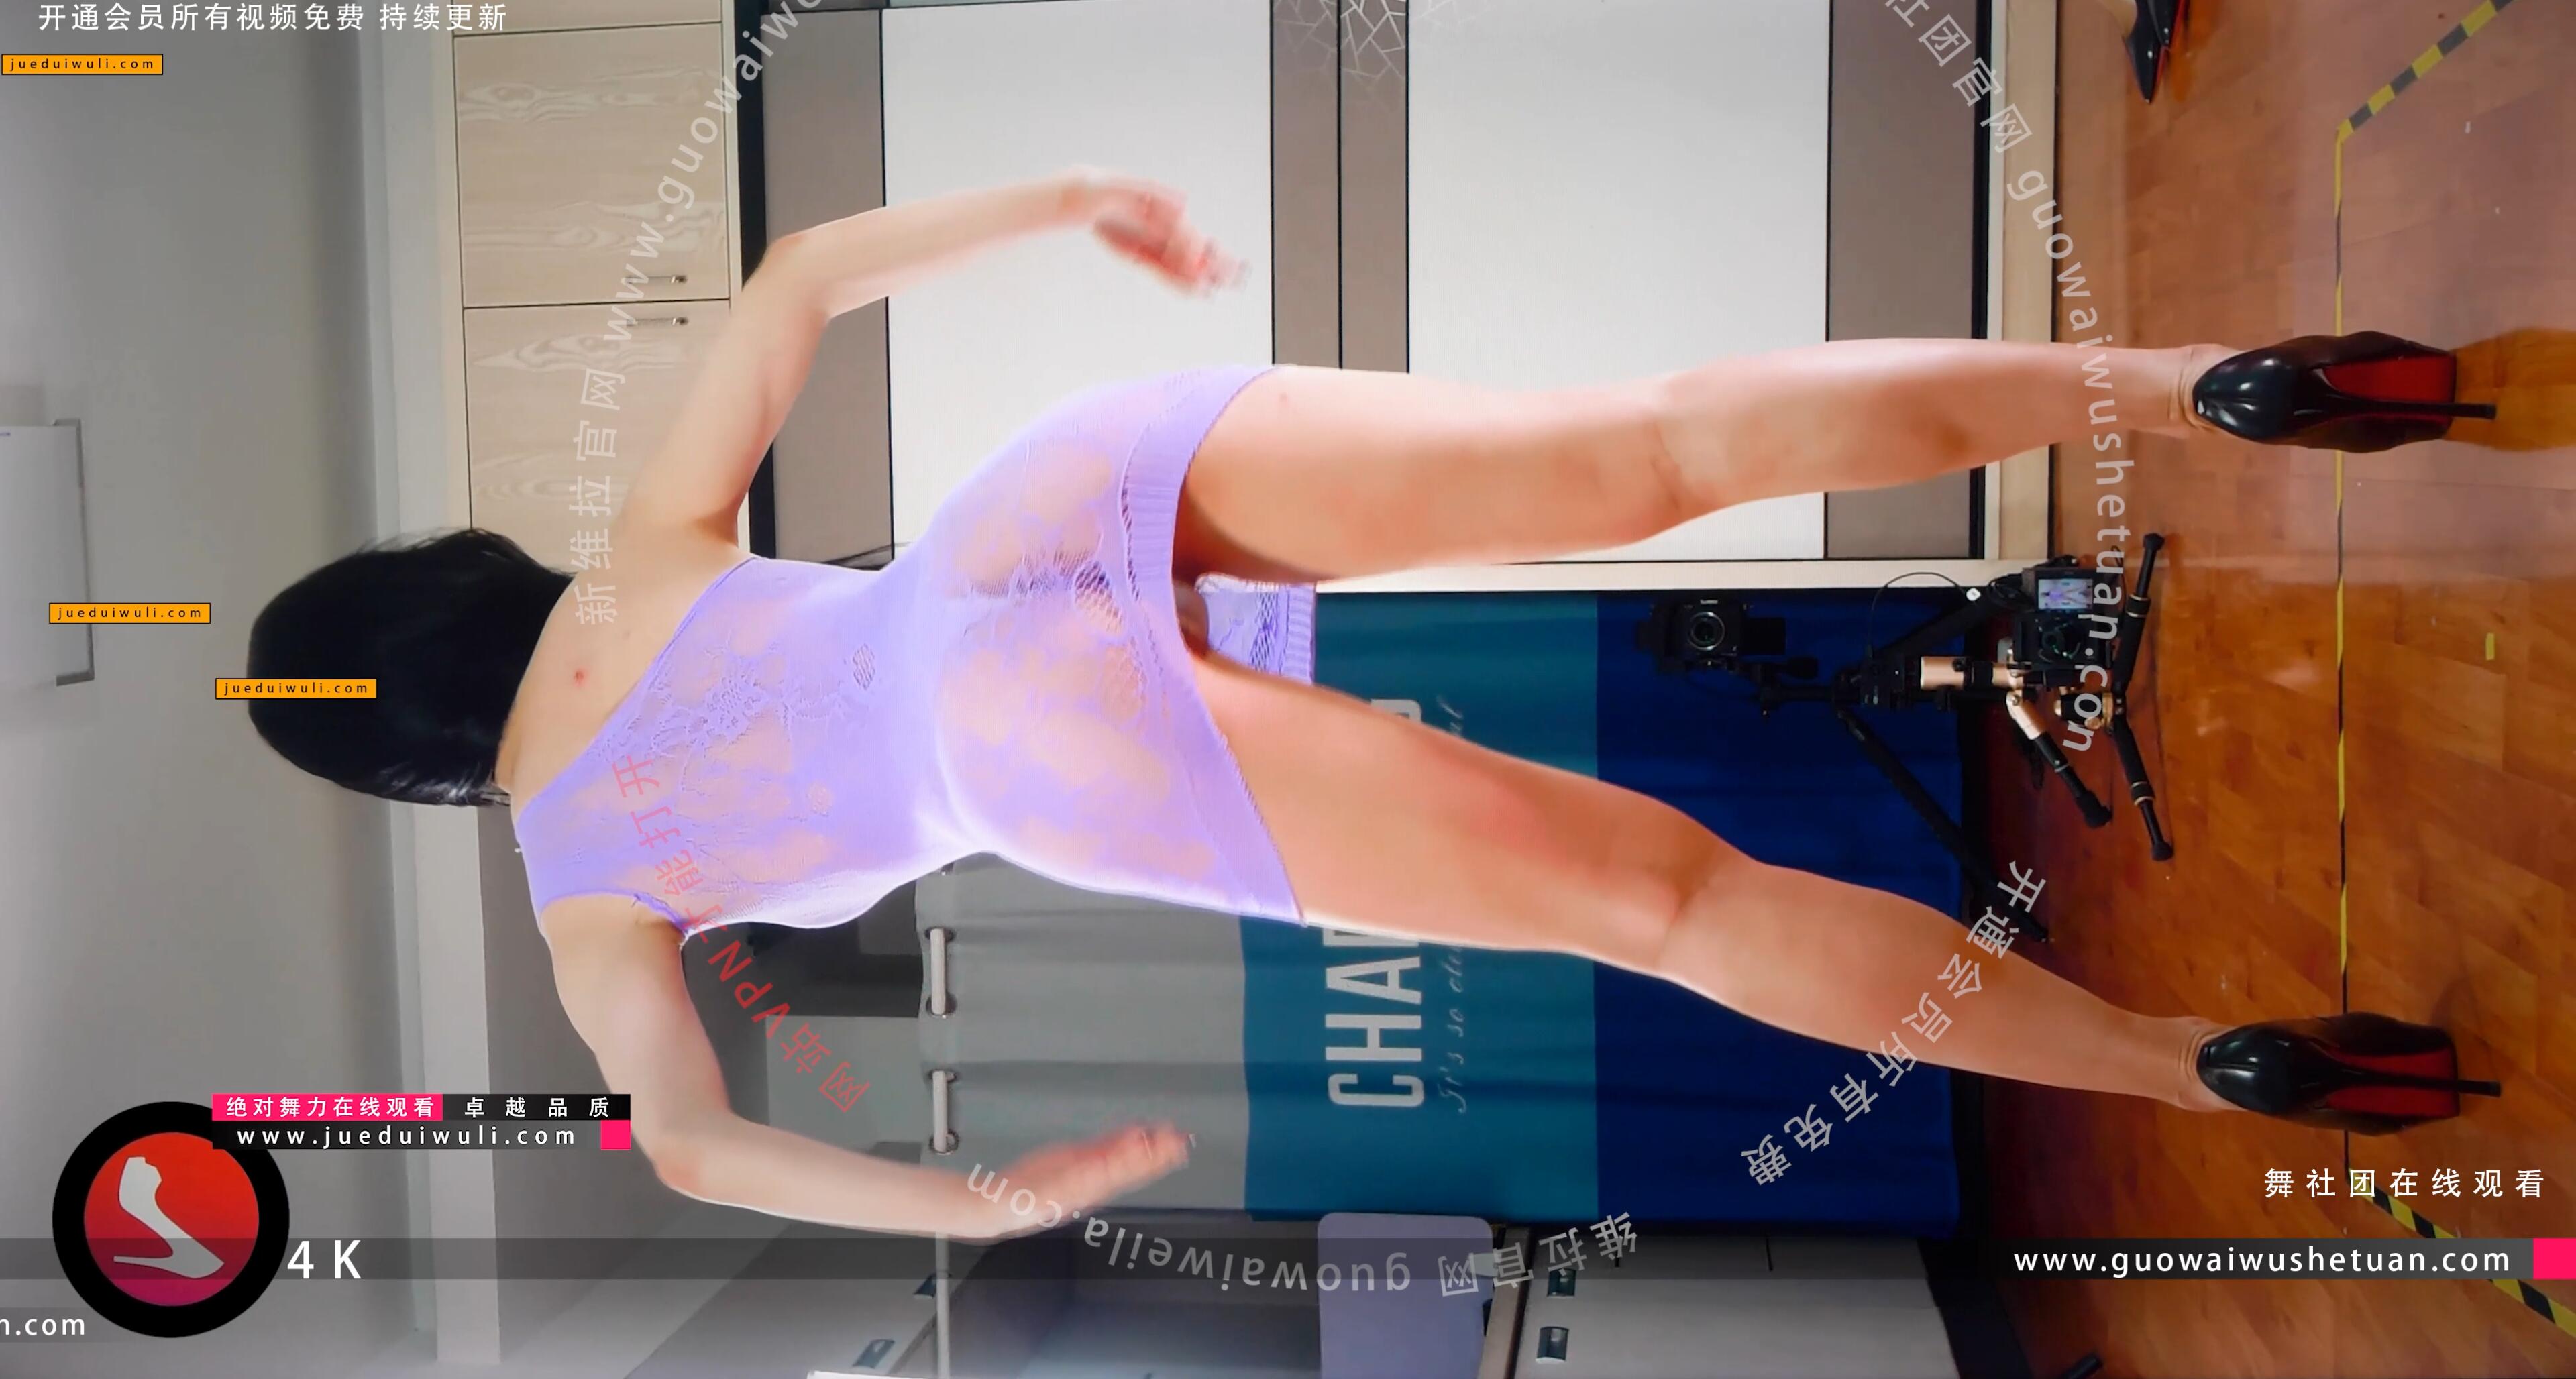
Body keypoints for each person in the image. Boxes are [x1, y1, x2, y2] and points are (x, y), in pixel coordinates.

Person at [246, 169, 2500, 1242]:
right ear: (441, 586)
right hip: (1038, 503)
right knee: (1659, 438)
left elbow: (689, 1146)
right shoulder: (636, 562)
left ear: (408, 763)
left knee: (1679, 913)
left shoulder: (583, 895)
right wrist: (1073, 203)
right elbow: (801, 271)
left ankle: (2188, 1066)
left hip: (1032, 753)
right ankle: (2195, 383)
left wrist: (981, 1207)